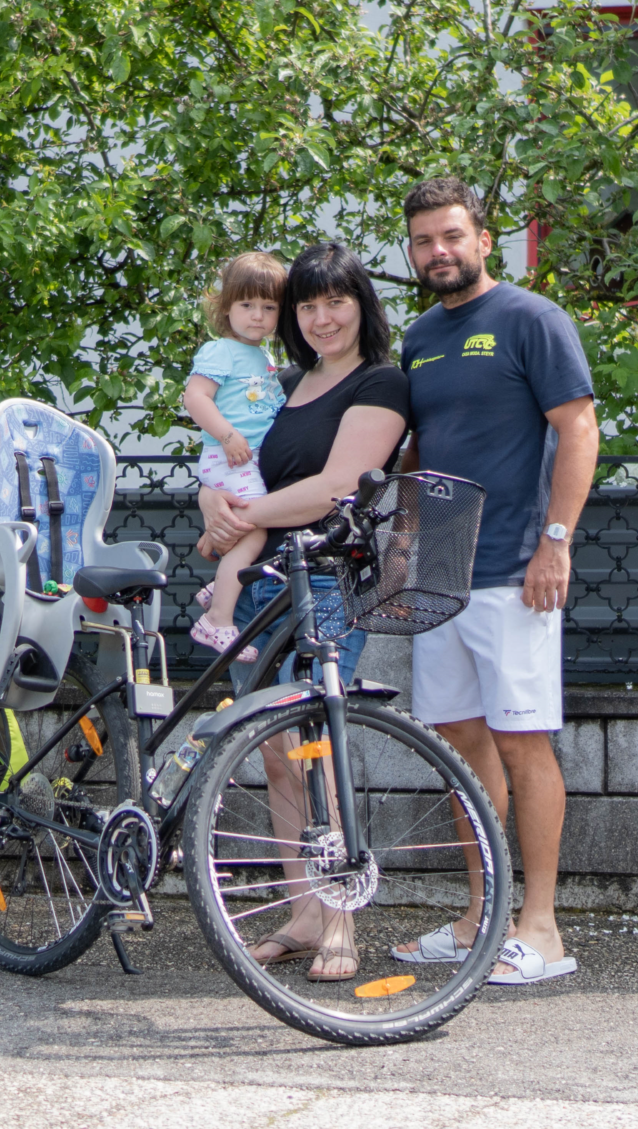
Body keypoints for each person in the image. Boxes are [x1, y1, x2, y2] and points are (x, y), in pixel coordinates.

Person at [390, 176, 599, 985]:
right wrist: (405, 541)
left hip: (515, 570)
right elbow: (420, 448)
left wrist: (558, 542)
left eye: (451, 236)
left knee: (522, 741)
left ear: (484, 238)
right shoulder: (417, 337)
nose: (437, 252)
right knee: (460, 745)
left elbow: (578, 428)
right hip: (441, 571)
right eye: (422, 241)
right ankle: (482, 916)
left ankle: (540, 929)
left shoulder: (531, 320)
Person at [196, 241, 409, 981]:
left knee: (317, 743)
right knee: (274, 755)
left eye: (336, 301)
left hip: (324, 581)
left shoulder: (382, 383)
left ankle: (342, 915)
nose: (321, 318)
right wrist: (217, 509)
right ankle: (302, 911)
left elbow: (339, 484)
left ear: (361, 305)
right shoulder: (279, 383)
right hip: (258, 580)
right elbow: (229, 457)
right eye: (308, 305)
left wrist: (245, 508)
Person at [183, 252, 288, 660]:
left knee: (247, 528)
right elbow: (195, 397)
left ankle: (221, 585)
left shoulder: (263, 356)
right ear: (226, 307)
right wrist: (227, 435)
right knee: (257, 528)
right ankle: (218, 619)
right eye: (247, 305)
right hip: (231, 457)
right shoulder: (220, 350)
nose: (257, 316)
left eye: (268, 307)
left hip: (247, 458)